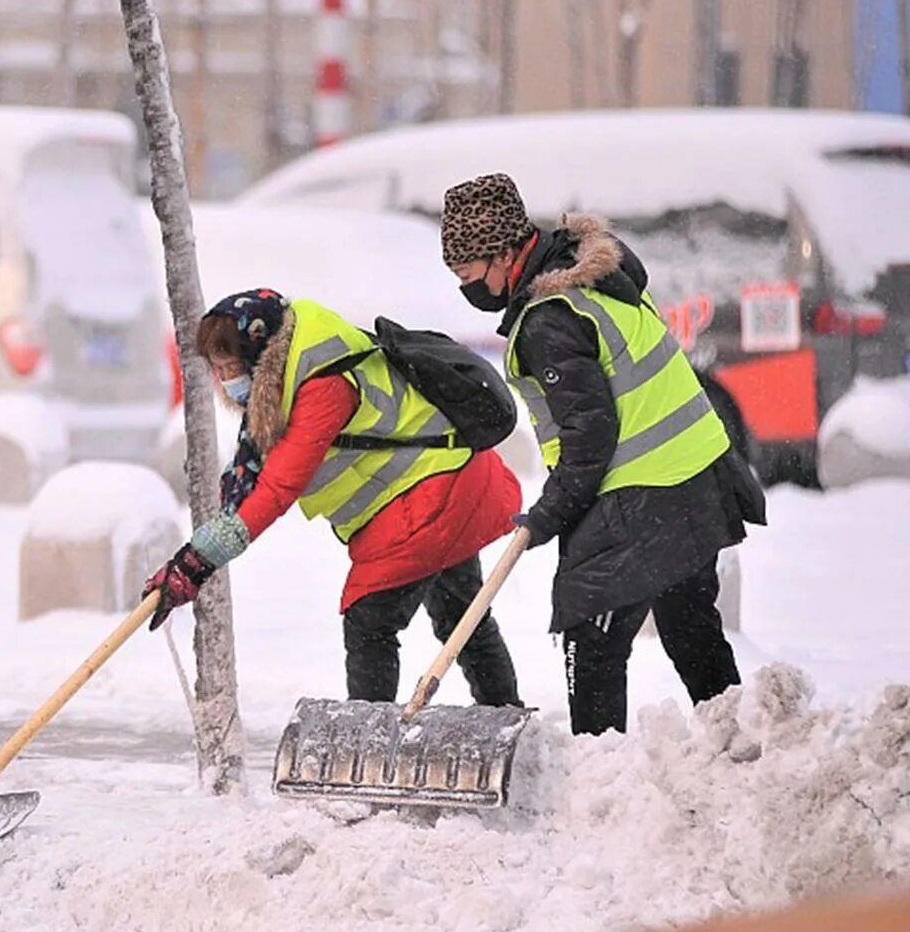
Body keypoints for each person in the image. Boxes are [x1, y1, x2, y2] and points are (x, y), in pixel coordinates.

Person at [439, 172, 765, 735]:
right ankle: (738, 754)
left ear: (500, 253)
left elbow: (590, 437)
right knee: (690, 625)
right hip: (698, 474)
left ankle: (598, 771)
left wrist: (548, 514)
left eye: (466, 272)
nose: (464, 285)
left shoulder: (549, 321)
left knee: (591, 638)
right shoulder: (597, 277)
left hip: (641, 489)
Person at [142, 288, 523, 708]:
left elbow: (277, 486)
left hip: (432, 494)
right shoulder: (292, 367)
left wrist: (198, 562)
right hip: (444, 484)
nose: (229, 380)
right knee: (461, 614)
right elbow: (251, 480)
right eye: (219, 370)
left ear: (257, 350)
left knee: (370, 622)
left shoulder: (323, 382)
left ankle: (366, 739)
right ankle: (504, 715)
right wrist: (187, 561)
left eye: (232, 366)